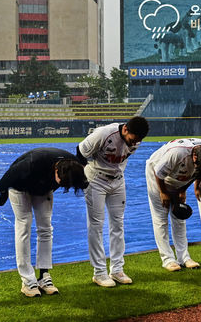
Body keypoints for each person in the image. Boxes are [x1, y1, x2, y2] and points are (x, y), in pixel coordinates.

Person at [0, 148, 89, 297]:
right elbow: (0, 186)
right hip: (20, 186)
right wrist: (0, 192)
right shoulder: (29, 164)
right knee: (24, 224)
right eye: (62, 183)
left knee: (46, 228)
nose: (62, 186)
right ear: (57, 172)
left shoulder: (76, 170)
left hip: (43, 187)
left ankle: (44, 276)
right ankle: (28, 281)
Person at [77, 117, 149, 287]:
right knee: (96, 225)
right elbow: (80, 153)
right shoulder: (103, 133)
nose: (135, 143)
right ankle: (99, 272)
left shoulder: (135, 141)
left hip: (117, 181)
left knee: (118, 224)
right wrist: (82, 179)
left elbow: (124, 156)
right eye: (133, 139)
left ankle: (117, 269)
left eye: (138, 141)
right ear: (125, 129)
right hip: (96, 179)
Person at [145, 138, 201, 271]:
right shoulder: (177, 153)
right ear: (195, 157)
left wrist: (182, 190)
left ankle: (184, 257)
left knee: (179, 215)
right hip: (157, 176)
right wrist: (163, 192)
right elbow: (159, 173)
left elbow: (197, 173)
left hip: (178, 178)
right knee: (161, 219)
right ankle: (168, 260)